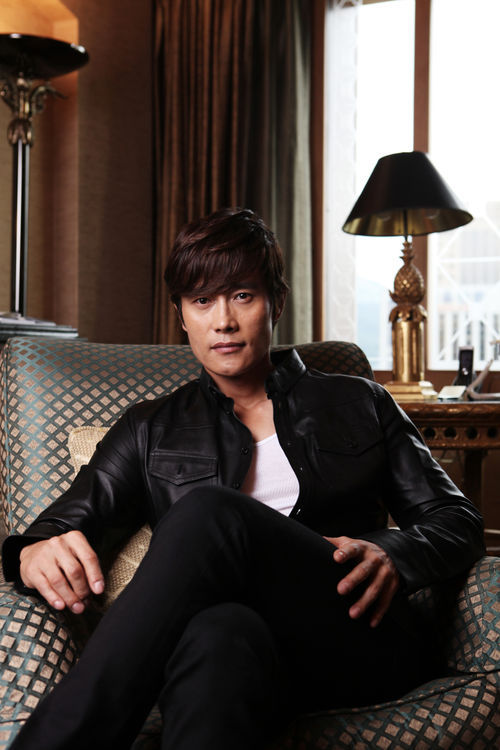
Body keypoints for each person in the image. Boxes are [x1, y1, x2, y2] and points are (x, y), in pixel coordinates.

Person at [3, 208, 485, 750]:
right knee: (218, 637)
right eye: (201, 301)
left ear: (275, 302)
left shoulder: (358, 401)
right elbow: (61, 525)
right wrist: (32, 551)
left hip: (353, 630)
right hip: (246, 653)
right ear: (181, 316)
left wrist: (394, 552)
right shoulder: (149, 429)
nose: (223, 321)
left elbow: (458, 520)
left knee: (209, 513)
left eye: (242, 295)